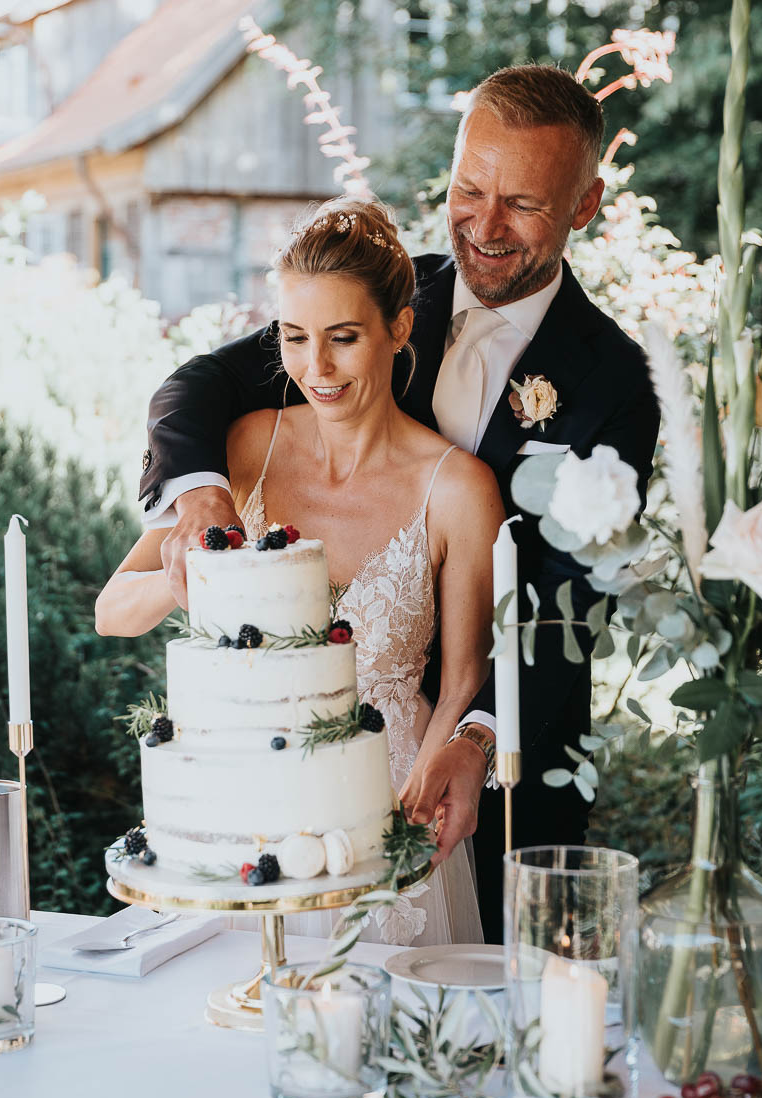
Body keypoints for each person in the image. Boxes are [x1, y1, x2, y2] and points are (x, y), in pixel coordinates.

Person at [133, 65, 661, 941]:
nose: (485, 227)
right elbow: (196, 388)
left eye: (523, 204)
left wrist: (478, 733)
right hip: (304, 765)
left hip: (498, 768)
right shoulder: (380, 302)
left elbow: (568, 603)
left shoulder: (617, 384)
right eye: (468, 190)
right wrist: (198, 497)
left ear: (585, 204)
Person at [97, 196, 499, 946]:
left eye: (344, 338)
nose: (317, 368)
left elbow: (465, 677)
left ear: (400, 327)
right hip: (238, 808)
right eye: (294, 338)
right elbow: (112, 608)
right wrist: (179, 579)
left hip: (384, 808)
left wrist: (412, 809)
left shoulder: (457, 487)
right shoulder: (248, 449)